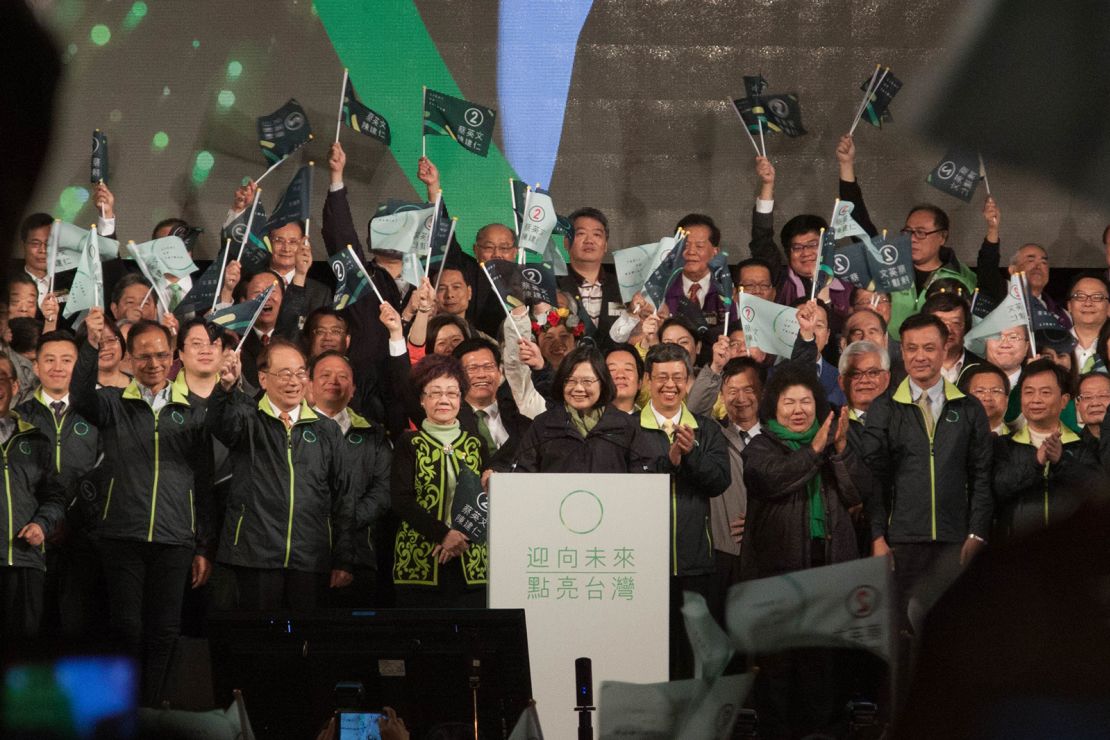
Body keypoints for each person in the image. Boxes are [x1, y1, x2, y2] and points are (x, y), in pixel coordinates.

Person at [70, 307, 212, 705]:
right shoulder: (112, 403)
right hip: (121, 534)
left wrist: (203, 544)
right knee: (126, 627)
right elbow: (80, 395)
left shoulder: (193, 411)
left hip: (175, 537)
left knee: (165, 630)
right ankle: (125, 704)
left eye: (161, 355)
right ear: (130, 359)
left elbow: (202, 482)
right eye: (144, 356)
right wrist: (90, 344)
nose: (153, 363)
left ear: (173, 358)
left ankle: (154, 705)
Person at [741, 363, 865, 737]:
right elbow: (773, 480)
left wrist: (840, 450)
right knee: (777, 668)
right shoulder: (761, 447)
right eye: (789, 402)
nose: (799, 410)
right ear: (773, 408)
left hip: (827, 572)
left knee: (822, 667)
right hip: (776, 577)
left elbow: (859, 495)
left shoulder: (836, 442)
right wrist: (814, 450)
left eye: (806, 402)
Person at [860, 313, 993, 637]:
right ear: (901, 352)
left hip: (956, 541)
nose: (920, 356)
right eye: (912, 348)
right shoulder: (884, 407)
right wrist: (877, 536)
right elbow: (873, 479)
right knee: (902, 638)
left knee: (954, 637)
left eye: (929, 347)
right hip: (902, 543)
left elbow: (981, 476)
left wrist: (976, 533)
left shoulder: (968, 407)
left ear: (945, 348)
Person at [208, 339, 355, 611]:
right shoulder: (246, 417)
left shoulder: (326, 430)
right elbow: (219, 423)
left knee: (304, 644)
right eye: (284, 373)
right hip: (255, 556)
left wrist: (343, 559)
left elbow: (343, 496)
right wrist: (226, 387)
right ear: (263, 379)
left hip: (310, 558)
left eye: (300, 373)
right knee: (261, 643)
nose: (293, 381)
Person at [637, 342, 729, 678]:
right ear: (648, 379)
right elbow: (627, 483)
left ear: (689, 380)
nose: (670, 385)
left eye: (678, 376)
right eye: (661, 377)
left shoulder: (707, 428)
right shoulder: (630, 428)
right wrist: (670, 461)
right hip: (643, 566)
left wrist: (692, 455)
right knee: (649, 655)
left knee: (691, 658)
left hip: (695, 564)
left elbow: (720, 481)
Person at [15, 330, 101, 636]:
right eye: (49, 360)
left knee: (79, 625)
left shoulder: (95, 415)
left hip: (85, 536)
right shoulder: (18, 417)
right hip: (30, 535)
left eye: (67, 360)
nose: (57, 367)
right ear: (36, 367)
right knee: (34, 626)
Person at [390, 354, 487, 607]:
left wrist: (460, 537)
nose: (444, 399)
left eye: (452, 393)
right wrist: (443, 535)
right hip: (421, 559)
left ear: (461, 398)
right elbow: (401, 501)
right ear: (422, 400)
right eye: (434, 393)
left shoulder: (476, 444)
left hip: (470, 557)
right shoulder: (409, 443)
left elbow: (485, 501)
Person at [309, 350, 391, 607]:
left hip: (360, 553)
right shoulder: (295, 429)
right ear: (309, 385)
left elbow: (383, 490)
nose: (334, 381)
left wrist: (346, 520)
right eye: (325, 375)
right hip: (306, 553)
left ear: (353, 388)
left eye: (343, 376)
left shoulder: (372, 432)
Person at [0, 353, 66, 641]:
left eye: (3, 378)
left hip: (26, 562)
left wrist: (42, 525)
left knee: (22, 656)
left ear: (15, 386)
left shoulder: (36, 440)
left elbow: (54, 497)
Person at [993, 360, 1097, 541]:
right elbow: (998, 489)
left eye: (1045, 392)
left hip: (1072, 548)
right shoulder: (1003, 445)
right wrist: (1036, 462)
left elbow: (1098, 490)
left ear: (1064, 400)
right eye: (1029, 392)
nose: (1036, 399)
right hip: (1017, 548)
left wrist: (1062, 460)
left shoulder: (1084, 445)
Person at [748, 155, 853, 327]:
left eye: (813, 245)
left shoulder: (848, 286)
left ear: (827, 247)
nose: (806, 253)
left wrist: (826, 302)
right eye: (797, 247)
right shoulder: (779, 281)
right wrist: (768, 185)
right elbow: (761, 239)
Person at [511, 345, 650, 473]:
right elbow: (522, 473)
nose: (578, 388)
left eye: (587, 381)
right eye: (570, 381)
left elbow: (642, 479)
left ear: (602, 382)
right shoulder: (543, 425)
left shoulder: (625, 426)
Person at [709, 357, 764, 622]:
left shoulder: (779, 437)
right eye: (732, 391)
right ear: (721, 395)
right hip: (725, 552)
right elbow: (694, 409)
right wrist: (714, 369)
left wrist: (759, 520)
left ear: (762, 392)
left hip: (767, 552)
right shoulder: (712, 436)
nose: (740, 398)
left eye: (748, 389)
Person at [227, 180, 332, 317]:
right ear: (269, 241)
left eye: (293, 242)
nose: (286, 248)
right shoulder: (248, 282)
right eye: (279, 240)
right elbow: (230, 248)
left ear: (303, 244)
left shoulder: (320, 294)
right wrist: (238, 211)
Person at [974, 197, 1071, 329]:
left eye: (1043, 262)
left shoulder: (1061, 315)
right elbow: (987, 266)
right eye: (1030, 260)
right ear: (1013, 270)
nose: (1038, 266)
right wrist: (993, 228)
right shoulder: (1000, 293)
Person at [558, 207, 623, 343]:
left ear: (605, 245)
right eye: (581, 233)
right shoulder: (553, 285)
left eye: (597, 235)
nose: (589, 240)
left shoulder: (623, 287)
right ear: (566, 242)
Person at [664, 213, 734, 334]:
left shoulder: (727, 291)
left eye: (699, 246)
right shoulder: (662, 289)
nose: (691, 252)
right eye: (684, 245)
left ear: (715, 252)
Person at [922, 291, 983, 385]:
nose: (948, 330)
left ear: (966, 328)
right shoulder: (905, 368)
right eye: (940, 322)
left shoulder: (982, 369)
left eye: (955, 323)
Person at [1067, 274, 1110, 373]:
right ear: (1069, 306)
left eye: (1097, 297)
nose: (1088, 303)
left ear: (1109, 308)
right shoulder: (1054, 346)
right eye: (1080, 296)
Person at [960, 363, 1012, 436]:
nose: (987, 398)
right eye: (979, 391)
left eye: (996, 391)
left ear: (1007, 399)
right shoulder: (949, 439)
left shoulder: (1021, 442)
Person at [604, 343, 644, 414]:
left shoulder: (652, 422)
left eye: (628, 369)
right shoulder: (587, 422)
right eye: (612, 369)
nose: (620, 375)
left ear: (640, 383)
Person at [1076, 372, 1110, 449]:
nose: (1095, 403)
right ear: (1078, 406)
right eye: (1087, 397)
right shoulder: (1070, 448)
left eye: (1103, 395)